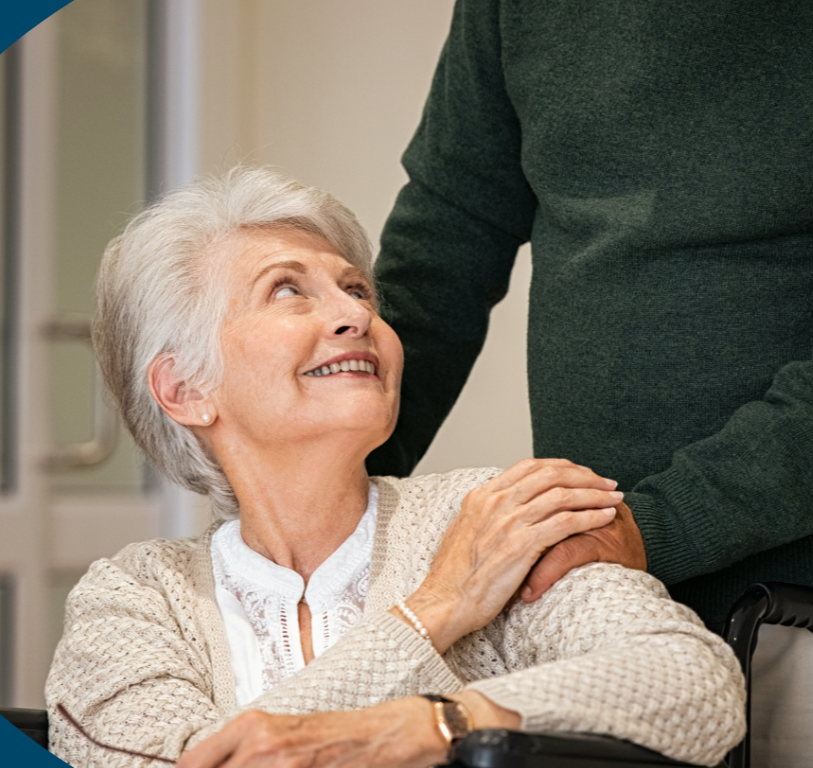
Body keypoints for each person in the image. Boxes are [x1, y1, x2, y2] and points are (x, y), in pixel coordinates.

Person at [45, 167, 744, 768]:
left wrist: (437, 723)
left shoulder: (489, 517)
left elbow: (698, 687)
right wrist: (433, 611)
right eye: (288, 290)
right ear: (185, 389)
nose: (353, 313)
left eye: (357, 290)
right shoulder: (134, 597)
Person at [363, 2, 812, 763]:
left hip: (788, 606)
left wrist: (653, 526)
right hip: (594, 590)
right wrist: (340, 483)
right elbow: (447, 236)